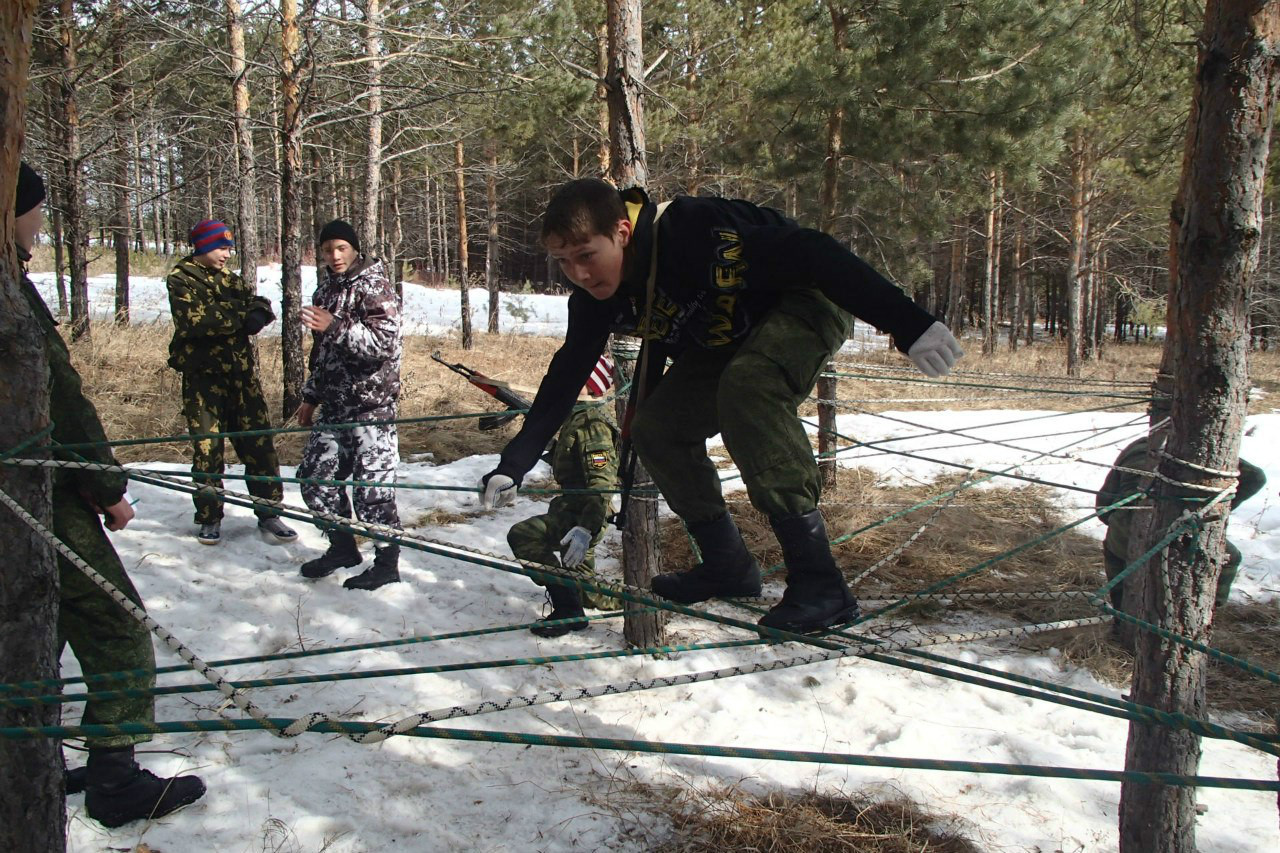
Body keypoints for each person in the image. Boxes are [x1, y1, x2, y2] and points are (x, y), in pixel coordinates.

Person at [479, 178, 963, 634]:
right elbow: (568, 372)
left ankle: (821, 584)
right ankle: (727, 563)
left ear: (621, 233)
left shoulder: (691, 233)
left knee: (749, 390)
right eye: (563, 262)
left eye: (587, 255)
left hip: (804, 300)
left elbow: (815, 253)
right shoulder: (594, 296)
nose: (579, 274)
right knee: (657, 428)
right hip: (725, 337)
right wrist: (514, 463)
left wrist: (908, 323)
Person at [14, 162, 206, 826]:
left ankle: (34, 757)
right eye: (35, 208)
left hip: (29, 483)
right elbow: (56, 394)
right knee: (116, 628)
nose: (41, 221)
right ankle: (116, 778)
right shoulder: (8, 285)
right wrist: (105, 483)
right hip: (37, 490)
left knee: (33, 622)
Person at [165, 219, 296, 546]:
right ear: (204, 247)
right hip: (203, 381)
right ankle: (209, 517)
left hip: (241, 377)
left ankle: (269, 513)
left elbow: (259, 304)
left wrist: (256, 311)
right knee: (208, 452)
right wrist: (241, 316)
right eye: (222, 247)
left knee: (259, 445)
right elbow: (196, 321)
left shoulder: (231, 281)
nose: (228, 253)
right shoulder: (181, 279)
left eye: (229, 247)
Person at [296, 219, 404, 591]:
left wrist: (335, 326)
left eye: (341, 248)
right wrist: (310, 398)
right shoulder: (324, 290)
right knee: (315, 480)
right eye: (327, 249)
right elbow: (322, 354)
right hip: (335, 408)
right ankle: (342, 548)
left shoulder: (376, 287)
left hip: (371, 408)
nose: (335, 255)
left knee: (372, 492)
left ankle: (387, 564)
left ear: (354, 249)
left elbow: (383, 345)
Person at [506, 355, 621, 637]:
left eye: (578, 376)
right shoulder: (576, 417)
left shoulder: (592, 424)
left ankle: (568, 612)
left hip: (582, 516)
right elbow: (571, 461)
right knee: (588, 591)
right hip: (570, 510)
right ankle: (578, 605)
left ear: (592, 386)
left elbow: (601, 482)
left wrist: (586, 528)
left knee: (524, 535)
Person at [1096, 434, 1265, 610]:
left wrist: (1209, 511)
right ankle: (1206, 612)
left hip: (1132, 532)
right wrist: (1207, 513)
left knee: (1126, 608)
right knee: (1230, 557)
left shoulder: (1141, 447)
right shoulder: (1200, 450)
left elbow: (1103, 506)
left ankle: (1126, 623)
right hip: (1164, 532)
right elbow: (1255, 478)